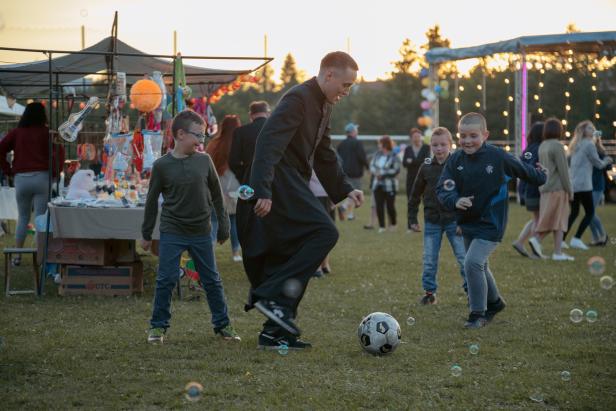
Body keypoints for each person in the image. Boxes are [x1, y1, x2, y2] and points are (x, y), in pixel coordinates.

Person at [237, 51, 364, 350]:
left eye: (350, 87)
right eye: (345, 85)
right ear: (329, 74)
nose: (346, 92)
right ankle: (270, 297)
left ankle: (274, 331)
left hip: (293, 180)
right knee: (325, 232)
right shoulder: (298, 98)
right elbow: (267, 142)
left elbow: (323, 154)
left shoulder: (324, 106)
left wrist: (345, 189)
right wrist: (262, 190)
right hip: (280, 178)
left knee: (295, 249)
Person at [437, 112, 546, 329]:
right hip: (468, 222)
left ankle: (478, 314)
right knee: (480, 264)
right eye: (463, 136)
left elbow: (524, 171)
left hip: (491, 223)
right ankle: (495, 303)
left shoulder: (498, 156)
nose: (467, 141)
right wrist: (455, 200)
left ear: (485, 135)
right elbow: (443, 187)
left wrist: (541, 175)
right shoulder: (456, 159)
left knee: (472, 263)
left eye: (473, 136)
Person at [141, 110, 240, 344]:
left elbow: (217, 196)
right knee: (165, 279)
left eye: (204, 136)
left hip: (201, 232)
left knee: (211, 280)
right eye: (198, 135)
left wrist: (224, 226)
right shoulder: (162, 166)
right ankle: (158, 327)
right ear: (181, 134)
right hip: (172, 231)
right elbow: (152, 201)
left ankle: (223, 324)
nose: (201, 141)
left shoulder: (204, 161)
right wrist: (146, 234)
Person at [0, 102, 65, 265]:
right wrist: (56, 172)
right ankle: (39, 256)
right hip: (43, 178)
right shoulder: (48, 133)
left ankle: (17, 256)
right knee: (40, 218)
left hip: (21, 179)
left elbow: (1, 149)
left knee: (22, 217)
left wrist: (8, 170)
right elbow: (60, 152)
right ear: (43, 115)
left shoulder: (16, 132)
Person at [408, 127, 466, 304]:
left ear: (450, 145)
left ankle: (473, 292)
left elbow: (466, 194)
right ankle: (429, 293)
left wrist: (463, 221)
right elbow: (415, 194)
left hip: (454, 221)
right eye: (435, 145)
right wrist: (412, 219)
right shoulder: (426, 166)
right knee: (429, 259)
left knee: (464, 259)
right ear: (430, 146)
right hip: (432, 220)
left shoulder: (458, 165)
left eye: (442, 145)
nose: (439, 149)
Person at [528, 118, 574, 261]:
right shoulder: (557, 146)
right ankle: (545, 245)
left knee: (554, 220)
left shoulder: (543, 145)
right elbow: (563, 171)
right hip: (558, 188)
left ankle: (557, 251)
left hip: (545, 189)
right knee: (558, 220)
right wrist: (570, 190)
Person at [563, 120, 613, 250]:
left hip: (574, 184)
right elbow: (598, 164)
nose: (593, 130)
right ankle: (577, 238)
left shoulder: (576, 145)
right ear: (584, 131)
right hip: (584, 184)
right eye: (590, 128)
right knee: (590, 212)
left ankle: (562, 239)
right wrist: (607, 160)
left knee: (574, 213)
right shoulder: (589, 145)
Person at [206, 114, 243, 262]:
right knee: (234, 221)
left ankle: (210, 252)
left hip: (216, 187)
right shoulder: (240, 145)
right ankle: (236, 253)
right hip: (235, 186)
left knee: (214, 221)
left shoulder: (214, 144)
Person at [512, 122, 544, 258]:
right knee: (541, 220)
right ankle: (535, 249)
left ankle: (520, 242)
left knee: (536, 218)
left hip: (525, 189)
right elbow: (532, 170)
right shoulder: (540, 149)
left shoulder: (528, 149)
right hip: (534, 189)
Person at [229, 101, 270, 184]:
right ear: (268, 113)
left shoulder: (240, 132)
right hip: (275, 181)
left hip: (250, 180)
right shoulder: (278, 130)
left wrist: (244, 177)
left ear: (250, 115)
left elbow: (233, 161)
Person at [336, 122, 369, 220]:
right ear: (353, 131)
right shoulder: (357, 142)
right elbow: (362, 157)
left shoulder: (341, 144)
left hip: (344, 172)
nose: (357, 131)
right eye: (356, 129)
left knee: (350, 192)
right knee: (355, 193)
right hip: (355, 172)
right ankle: (343, 207)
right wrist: (368, 167)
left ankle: (350, 215)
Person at [370, 135, 401, 233]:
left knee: (390, 206)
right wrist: (376, 173)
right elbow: (372, 165)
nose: (378, 145)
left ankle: (393, 224)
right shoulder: (377, 154)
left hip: (390, 186)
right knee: (379, 206)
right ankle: (382, 227)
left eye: (380, 143)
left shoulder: (394, 156)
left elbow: (396, 169)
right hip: (377, 185)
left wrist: (382, 173)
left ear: (384, 144)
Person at [403, 127, 431, 232]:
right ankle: (411, 225)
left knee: (427, 202)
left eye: (418, 136)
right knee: (411, 202)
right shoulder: (408, 149)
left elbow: (426, 162)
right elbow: (405, 163)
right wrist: (416, 161)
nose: (416, 138)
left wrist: (412, 161)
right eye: (414, 136)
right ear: (411, 138)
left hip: (424, 179)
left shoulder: (426, 148)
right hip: (411, 180)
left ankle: (429, 225)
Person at [308, 170, 335, 276]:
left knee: (317, 232)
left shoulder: (308, 155)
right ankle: (324, 265)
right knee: (326, 231)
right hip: (325, 195)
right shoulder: (328, 155)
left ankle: (319, 266)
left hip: (314, 196)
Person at [589, 132, 610, 246]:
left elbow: (607, 167)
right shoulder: (588, 151)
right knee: (589, 213)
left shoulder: (601, 152)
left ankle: (602, 235)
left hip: (597, 185)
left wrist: (606, 161)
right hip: (588, 184)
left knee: (590, 212)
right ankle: (596, 238)